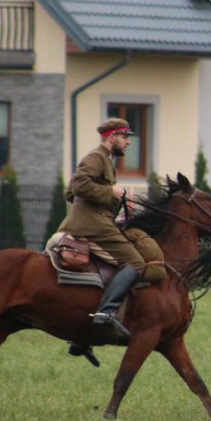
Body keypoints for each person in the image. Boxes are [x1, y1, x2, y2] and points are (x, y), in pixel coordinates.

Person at [58, 118, 146, 342]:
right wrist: (111, 192)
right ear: (111, 137)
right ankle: (105, 313)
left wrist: (118, 198)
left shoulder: (104, 160)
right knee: (136, 263)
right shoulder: (96, 157)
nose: (128, 142)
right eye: (125, 137)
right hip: (93, 225)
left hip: (95, 221)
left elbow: (71, 193)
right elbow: (78, 186)